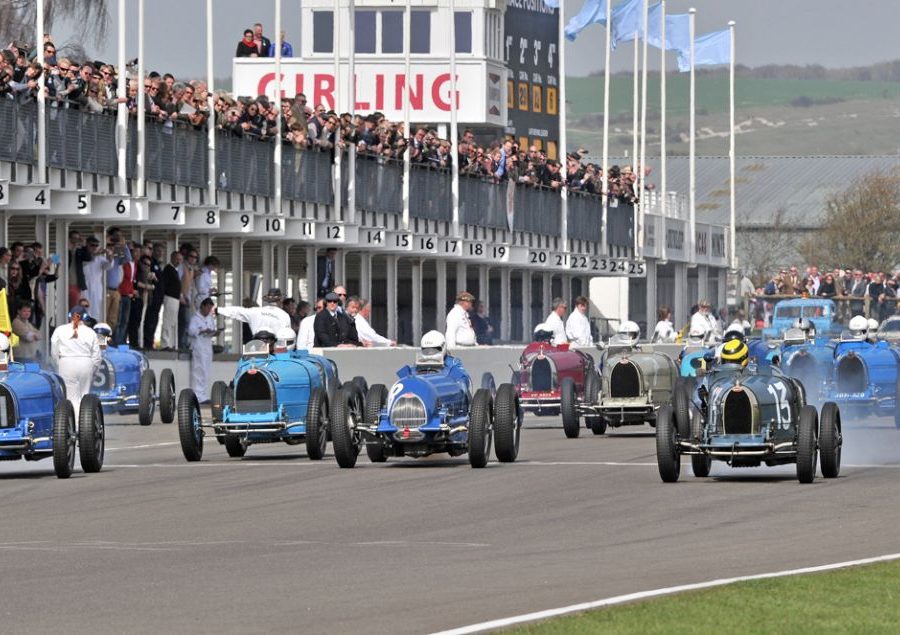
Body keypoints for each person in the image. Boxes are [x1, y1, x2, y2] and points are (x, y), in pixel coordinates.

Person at [50, 307, 102, 412]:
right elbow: (97, 356)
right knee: (85, 396)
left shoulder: (59, 330)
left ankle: (75, 425)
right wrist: (94, 370)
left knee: (70, 397)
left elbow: (54, 352)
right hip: (85, 362)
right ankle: (86, 423)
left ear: (69, 316)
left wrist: (58, 366)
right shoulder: (90, 332)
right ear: (85, 317)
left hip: (66, 362)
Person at [217, 288, 291, 339]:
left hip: (257, 348)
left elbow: (236, 311)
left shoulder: (255, 311)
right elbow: (287, 334)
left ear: (267, 300)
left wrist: (218, 309)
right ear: (281, 300)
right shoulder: (284, 315)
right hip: (276, 351)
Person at [187, 297, 217, 402]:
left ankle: (203, 394)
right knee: (199, 371)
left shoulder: (209, 318)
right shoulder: (195, 318)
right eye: (207, 308)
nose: (209, 310)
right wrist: (200, 331)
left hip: (207, 346)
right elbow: (191, 331)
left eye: (210, 308)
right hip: (199, 347)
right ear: (202, 306)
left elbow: (213, 328)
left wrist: (212, 332)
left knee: (206, 371)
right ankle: (198, 395)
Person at [160, 251, 182, 350]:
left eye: (180, 259)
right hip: (170, 297)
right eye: (177, 259)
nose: (179, 261)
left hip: (175, 298)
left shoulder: (175, 270)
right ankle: (165, 343)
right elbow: (164, 284)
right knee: (168, 321)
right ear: (172, 258)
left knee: (173, 322)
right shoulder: (168, 269)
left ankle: (171, 343)